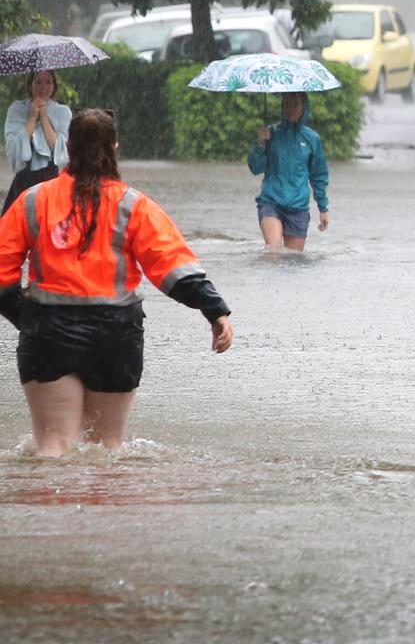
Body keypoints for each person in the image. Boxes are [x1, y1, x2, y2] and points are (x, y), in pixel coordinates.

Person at [0, 109, 233, 457]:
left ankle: (47, 511)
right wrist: (215, 311)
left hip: (48, 334)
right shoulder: (133, 205)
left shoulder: (33, 200)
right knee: (108, 450)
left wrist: (28, 318)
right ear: (115, 148)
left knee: (51, 447)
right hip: (115, 336)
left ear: (67, 146)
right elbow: (171, 266)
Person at [248, 92, 329, 251]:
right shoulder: (271, 134)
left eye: (295, 104)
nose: (290, 109)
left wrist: (323, 208)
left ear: (304, 107)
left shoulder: (312, 139)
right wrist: (260, 144)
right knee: (274, 250)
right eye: (286, 104)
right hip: (271, 203)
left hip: (298, 208)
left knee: (293, 261)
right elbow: (255, 167)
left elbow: (318, 175)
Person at [3, 70, 72, 214]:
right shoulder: (17, 109)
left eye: (48, 82)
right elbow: (14, 149)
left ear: (54, 86)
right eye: (38, 82)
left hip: (51, 179)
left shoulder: (63, 112)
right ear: (30, 85)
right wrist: (32, 118)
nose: (43, 87)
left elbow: (60, 151)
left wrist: (45, 118)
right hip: (24, 179)